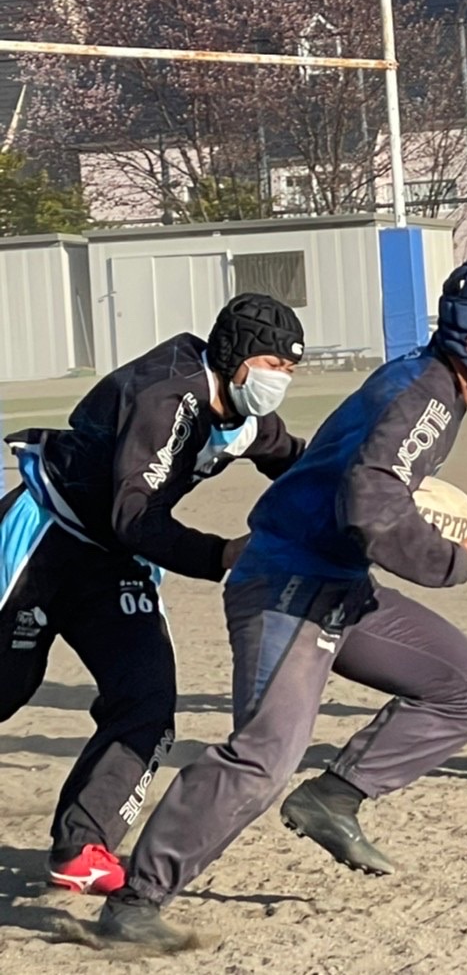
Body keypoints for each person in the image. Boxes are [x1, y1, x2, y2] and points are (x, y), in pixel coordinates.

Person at [94, 263, 467, 951]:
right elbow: (370, 503)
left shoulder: (432, 385)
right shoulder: (425, 396)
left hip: (336, 582)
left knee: (466, 689)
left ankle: (334, 797)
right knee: (264, 757)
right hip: (288, 585)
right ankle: (137, 899)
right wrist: (451, 559)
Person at [0, 294, 306, 897]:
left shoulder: (243, 414)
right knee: (6, 686)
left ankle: (82, 846)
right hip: (47, 534)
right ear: (236, 357)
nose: (281, 381)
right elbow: (134, 517)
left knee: (146, 697)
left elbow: (296, 462)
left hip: (116, 560)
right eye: (274, 365)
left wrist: (374, 489)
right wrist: (222, 554)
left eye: (291, 370)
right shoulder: (168, 397)